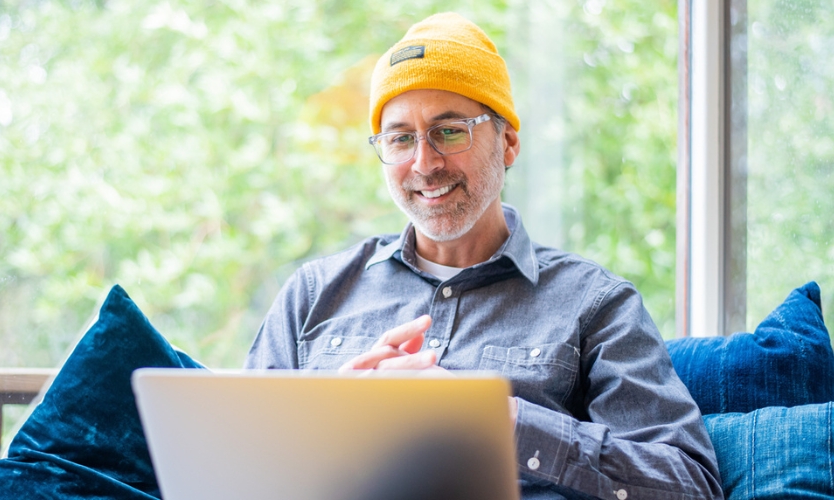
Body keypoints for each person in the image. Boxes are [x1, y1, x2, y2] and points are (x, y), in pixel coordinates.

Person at [245, 12, 724, 500]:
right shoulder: (312, 295)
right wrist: (321, 428)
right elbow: (238, 468)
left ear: (508, 142)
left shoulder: (595, 304)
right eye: (400, 138)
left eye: (449, 131)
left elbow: (688, 485)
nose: (425, 163)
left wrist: (494, 417)